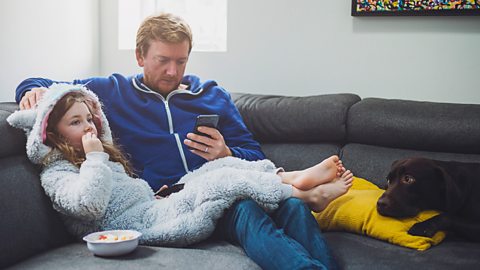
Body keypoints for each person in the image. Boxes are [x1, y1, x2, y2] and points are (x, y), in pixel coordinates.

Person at [15, 13, 352, 269]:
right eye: (163, 60)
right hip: (172, 204)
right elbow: (48, 86)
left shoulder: (212, 95)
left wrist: (225, 151)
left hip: (221, 179)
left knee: (291, 205)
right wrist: (30, 91)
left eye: (181, 61)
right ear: (140, 57)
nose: (173, 71)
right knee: (244, 207)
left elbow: (253, 153)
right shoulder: (111, 91)